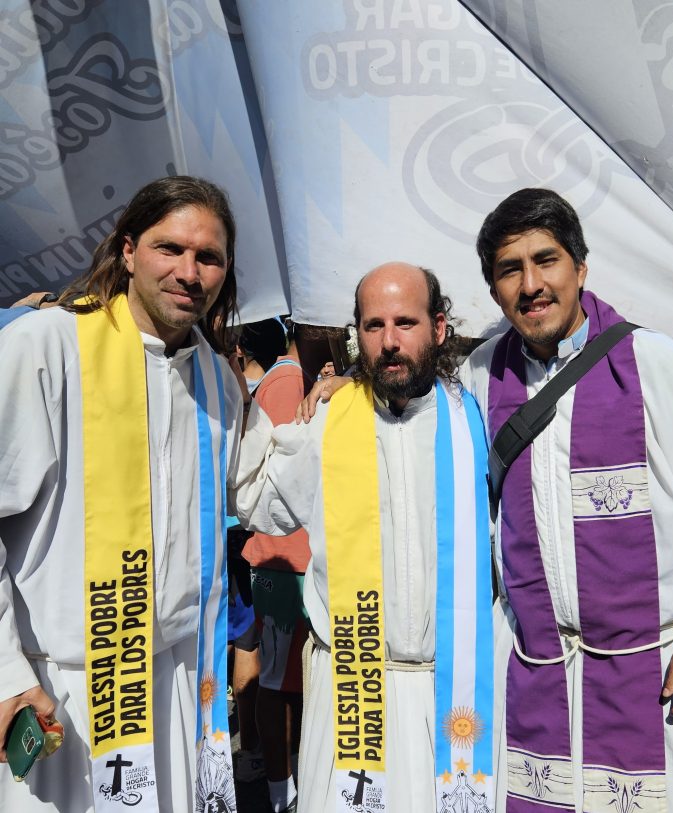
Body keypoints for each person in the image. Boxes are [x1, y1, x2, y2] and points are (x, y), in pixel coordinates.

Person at [461, 188, 673, 812]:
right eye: (510, 270)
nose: (531, 284)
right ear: (493, 291)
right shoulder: (481, 377)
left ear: (581, 267)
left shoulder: (660, 365)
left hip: (658, 669)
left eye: (547, 260)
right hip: (537, 667)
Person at [0, 176, 247, 812]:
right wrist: (5, 676)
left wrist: (345, 399)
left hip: (172, 688)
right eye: (170, 249)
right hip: (61, 692)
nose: (189, 272)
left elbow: (268, 484)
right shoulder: (44, 347)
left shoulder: (218, 381)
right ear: (128, 250)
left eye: (209, 257)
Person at [234, 264, 496, 813]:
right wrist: (232, 395)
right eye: (374, 326)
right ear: (357, 334)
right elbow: (257, 499)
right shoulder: (328, 420)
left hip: (452, 692)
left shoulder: (478, 409)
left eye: (406, 322)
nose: (390, 341)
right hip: (351, 692)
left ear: (440, 327)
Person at [241, 320, 313, 813]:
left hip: (293, 556)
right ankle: (278, 791)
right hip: (284, 559)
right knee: (277, 679)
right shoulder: (289, 382)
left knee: (290, 677)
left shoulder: (291, 377)